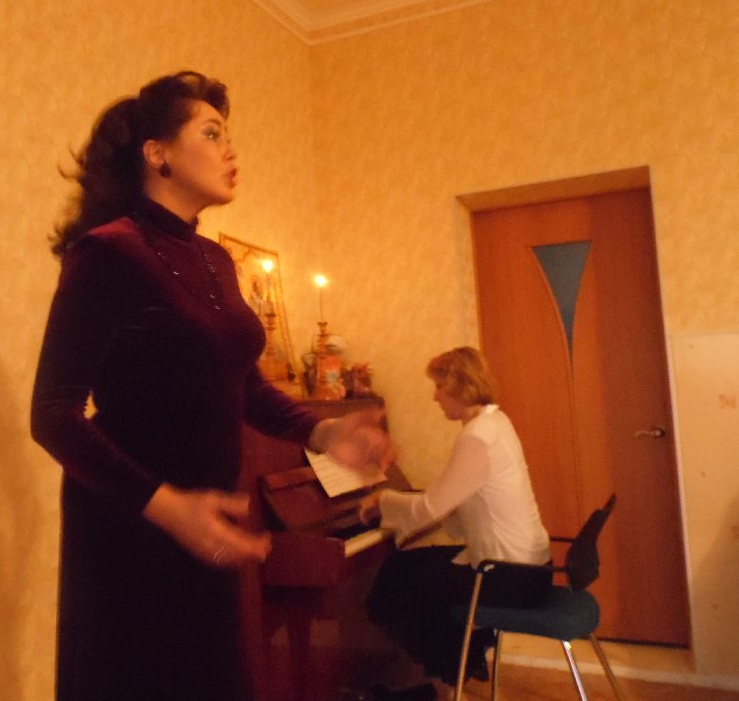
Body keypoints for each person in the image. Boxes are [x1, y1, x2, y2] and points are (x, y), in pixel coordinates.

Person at [30, 71, 395, 701]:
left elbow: (242, 386)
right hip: (131, 525)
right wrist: (170, 508)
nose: (232, 150)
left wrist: (326, 432)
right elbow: (53, 415)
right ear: (158, 154)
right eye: (212, 133)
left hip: (207, 525)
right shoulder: (108, 252)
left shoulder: (215, 260)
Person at [359, 347, 551, 701]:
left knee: (409, 581)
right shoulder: (495, 422)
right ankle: (445, 679)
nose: (435, 397)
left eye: (438, 386)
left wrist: (381, 500)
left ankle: (443, 686)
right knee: (409, 566)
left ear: (457, 386)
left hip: (509, 577)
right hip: (527, 569)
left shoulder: (477, 437)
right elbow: (457, 499)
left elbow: (432, 506)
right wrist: (412, 511)